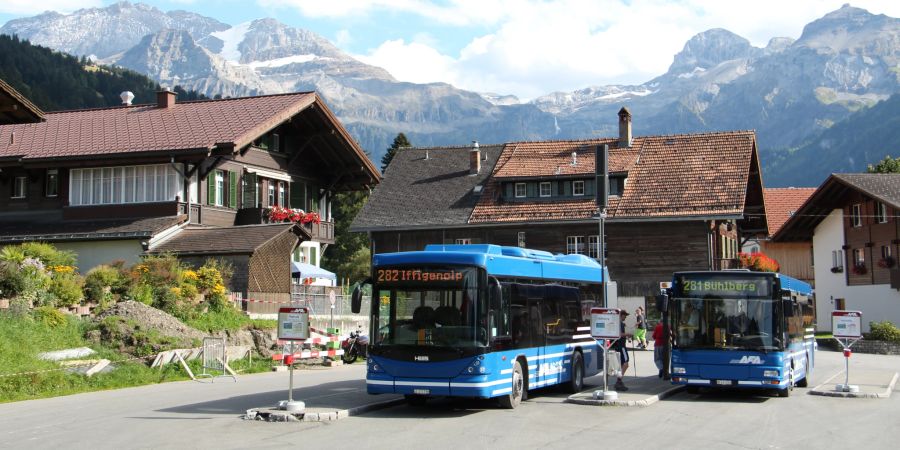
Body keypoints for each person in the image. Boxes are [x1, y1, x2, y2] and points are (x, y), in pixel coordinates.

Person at [614, 309, 630, 391]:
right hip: (621, 346)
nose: (626, 317)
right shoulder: (619, 323)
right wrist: (628, 334)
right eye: (625, 315)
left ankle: (619, 380)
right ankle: (619, 380)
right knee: (626, 363)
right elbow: (619, 334)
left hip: (618, 345)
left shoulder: (619, 323)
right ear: (621, 315)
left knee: (621, 364)